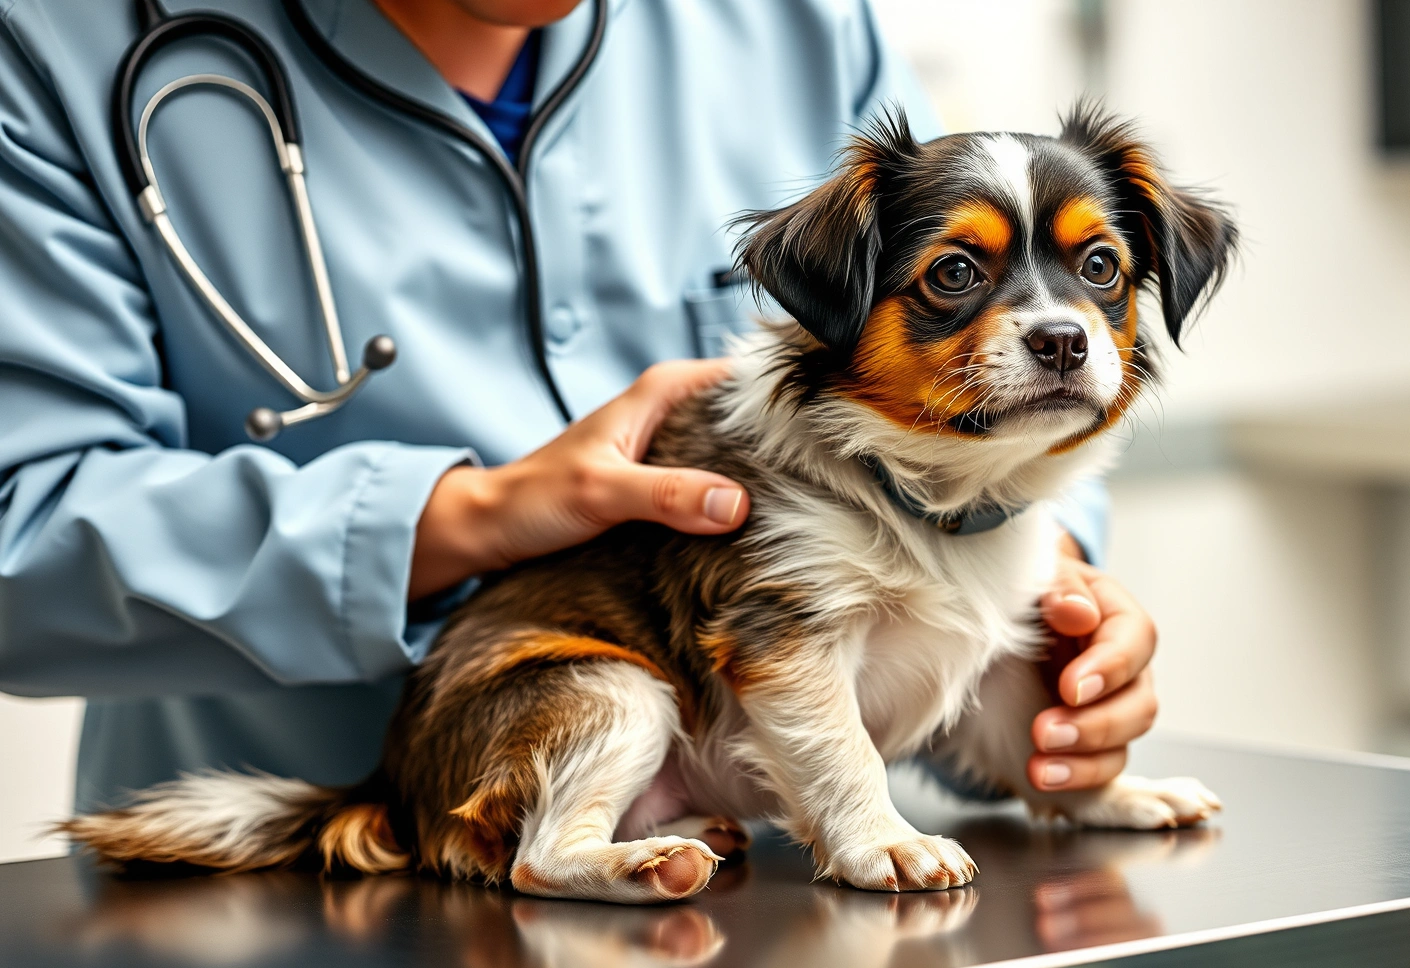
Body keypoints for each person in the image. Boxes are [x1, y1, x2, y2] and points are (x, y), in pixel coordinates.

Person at [0, 0, 1160, 817]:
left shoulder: (801, 23)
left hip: (770, 910)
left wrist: (1047, 626)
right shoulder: (57, 43)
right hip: (284, 944)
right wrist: (456, 519)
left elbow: (963, 396)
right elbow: (23, 533)